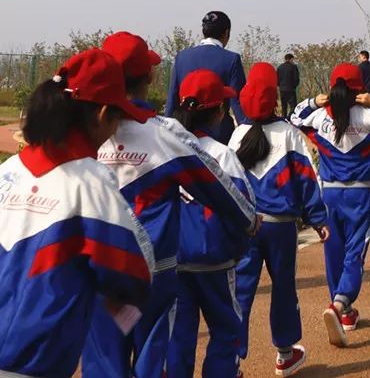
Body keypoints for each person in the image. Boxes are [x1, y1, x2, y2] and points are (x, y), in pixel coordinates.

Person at [83, 32, 256, 378]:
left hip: (98, 268)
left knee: (104, 359)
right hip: (153, 273)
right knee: (152, 359)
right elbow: (214, 186)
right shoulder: (165, 132)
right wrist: (249, 221)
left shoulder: (85, 132)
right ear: (148, 77)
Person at [0, 50, 155, 377]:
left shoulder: (8, 169)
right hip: (35, 363)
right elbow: (133, 272)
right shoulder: (90, 180)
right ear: (101, 114)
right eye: (117, 119)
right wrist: (122, 305)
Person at [292, 63, 370, 347]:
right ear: (360, 90)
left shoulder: (320, 117)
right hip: (361, 196)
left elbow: (294, 117)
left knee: (333, 254)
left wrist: (313, 101)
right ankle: (340, 304)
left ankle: (343, 310)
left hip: (328, 195)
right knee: (353, 256)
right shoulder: (369, 117)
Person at [231, 63, 329, 377]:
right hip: (280, 226)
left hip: (245, 226)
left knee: (240, 292)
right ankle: (285, 355)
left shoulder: (237, 134)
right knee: (284, 287)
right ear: (274, 97)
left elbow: (228, 183)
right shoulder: (289, 134)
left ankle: (231, 357)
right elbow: (306, 181)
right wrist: (318, 218)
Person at [168, 70, 258, 378]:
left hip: (174, 260)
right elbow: (245, 208)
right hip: (215, 260)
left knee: (178, 337)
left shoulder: (165, 149)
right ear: (219, 112)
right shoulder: (222, 154)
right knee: (225, 330)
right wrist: (236, 250)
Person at [166, 11, 247, 143]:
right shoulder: (231, 59)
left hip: (184, 133)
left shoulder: (182, 57)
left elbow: (172, 99)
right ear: (226, 33)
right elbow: (237, 103)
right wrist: (246, 132)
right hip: (219, 134)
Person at [277, 53, 300, 118]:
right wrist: (294, 86)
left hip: (282, 89)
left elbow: (277, 79)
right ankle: (289, 117)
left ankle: (284, 118)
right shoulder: (293, 67)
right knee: (293, 106)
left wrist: (280, 86)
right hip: (291, 89)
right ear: (291, 59)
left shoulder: (280, 67)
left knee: (284, 106)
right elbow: (296, 79)